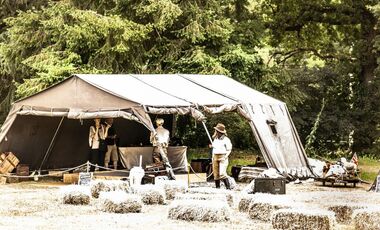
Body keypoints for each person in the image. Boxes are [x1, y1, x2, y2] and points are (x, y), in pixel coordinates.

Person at [211, 123, 232, 189]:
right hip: (215, 156)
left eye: (217, 131)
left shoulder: (226, 139)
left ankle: (228, 188)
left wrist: (225, 157)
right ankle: (217, 188)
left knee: (222, 173)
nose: (216, 132)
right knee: (216, 173)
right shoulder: (215, 139)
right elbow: (214, 149)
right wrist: (212, 157)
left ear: (220, 132)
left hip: (223, 156)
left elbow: (229, 149)